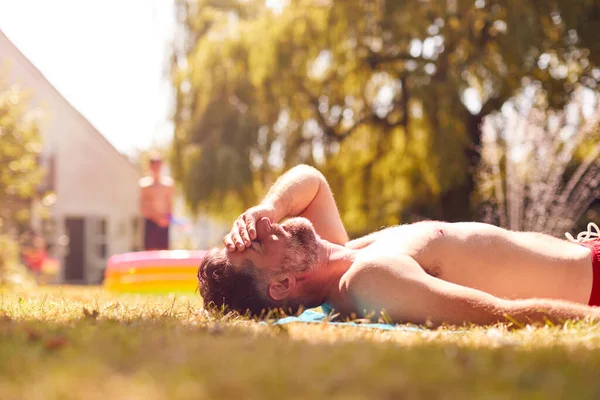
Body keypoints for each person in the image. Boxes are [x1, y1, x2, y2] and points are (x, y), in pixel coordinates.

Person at [197, 164, 600, 326]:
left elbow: (311, 179)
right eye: (257, 243)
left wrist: (266, 205)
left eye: (254, 227)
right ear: (283, 285)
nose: (267, 226)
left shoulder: (340, 251)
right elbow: (501, 315)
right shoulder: (369, 278)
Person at [139, 154, 174, 251]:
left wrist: (167, 218)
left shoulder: (168, 184)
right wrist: (157, 218)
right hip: (151, 222)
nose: (156, 168)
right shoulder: (144, 185)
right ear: (150, 167)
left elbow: (169, 204)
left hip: (164, 222)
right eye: (154, 165)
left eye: (158, 165)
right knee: (149, 251)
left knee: (164, 251)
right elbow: (143, 207)